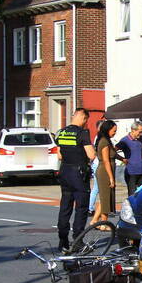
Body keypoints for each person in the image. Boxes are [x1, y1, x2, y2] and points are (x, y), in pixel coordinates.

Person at [56, 108, 96, 252]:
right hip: (79, 174)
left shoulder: (61, 132)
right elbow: (91, 155)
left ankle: (62, 239)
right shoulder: (82, 133)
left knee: (65, 206)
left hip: (65, 172)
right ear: (84, 118)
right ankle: (78, 240)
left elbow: (59, 156)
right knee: (81, 208)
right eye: (86, 120)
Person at [91, 120, 119, 226]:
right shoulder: (104, 142)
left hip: (106, 170)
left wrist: (123, 159)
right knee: (106, 198)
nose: (115, 133)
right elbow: (106, 160)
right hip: (104, 172)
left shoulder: (106, 141)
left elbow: (113, 154)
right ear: (108, 129)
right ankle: (103, 223)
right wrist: (111, 178)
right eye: (114, 131)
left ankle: (95, 221)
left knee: (104, 197)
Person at [118, 121, 142, 196]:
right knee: (132, 195)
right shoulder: (124, 140)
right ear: (133, 130)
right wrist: (122, 159)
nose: (141, 134)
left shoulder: (140, 139)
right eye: (140, 132)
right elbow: (113, 151)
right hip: (131, 172)